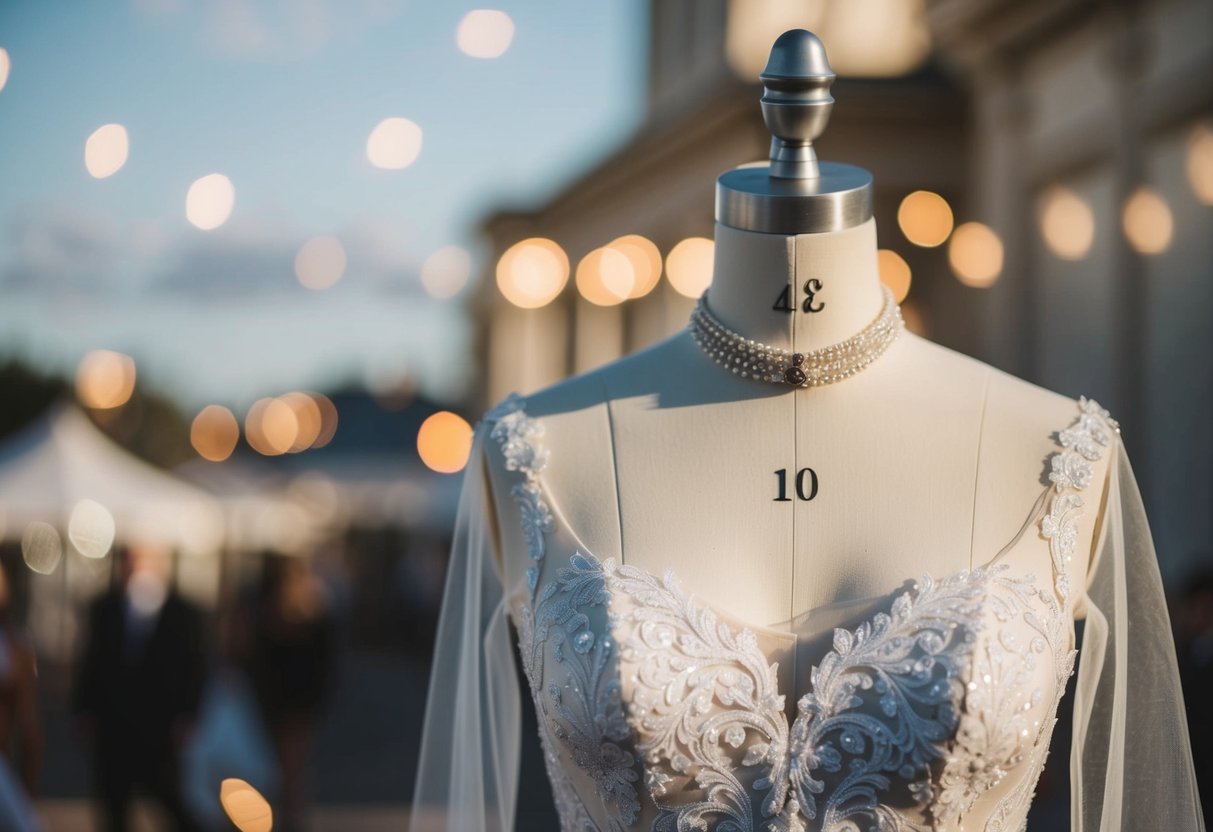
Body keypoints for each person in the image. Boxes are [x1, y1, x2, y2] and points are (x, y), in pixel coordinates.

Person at [72, 540, 208, 832]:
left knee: (171, 800)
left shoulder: (183, 612)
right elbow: (91, 662)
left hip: (159, 726)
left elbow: (195, 667)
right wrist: (83, 709)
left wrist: (189, 715)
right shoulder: (104, 608)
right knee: (113, 807)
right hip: (113, 726)